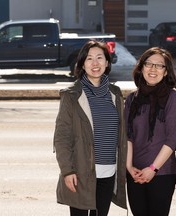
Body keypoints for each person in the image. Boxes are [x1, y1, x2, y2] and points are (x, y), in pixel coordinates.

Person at [53, 40, 127, 216]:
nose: (95, 63)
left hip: (108, 172)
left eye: (100, 58)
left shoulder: (115, 94)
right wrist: (67, 170)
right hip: (80, 172)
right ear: (82, 64)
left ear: (107, 62)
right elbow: (62, 137)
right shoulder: (72, 95)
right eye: (89, 58)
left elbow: (121, 135)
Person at [124, 47, 176, 216]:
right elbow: (127, 135)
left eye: (159, 66)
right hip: (134, 172)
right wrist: (129, 167)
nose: (153, 69)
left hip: (162, 173)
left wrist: (153, 169)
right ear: (141, 67)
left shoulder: (173, 99)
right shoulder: (132, 99)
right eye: (148, 64)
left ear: (166, 72)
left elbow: (172, 140)